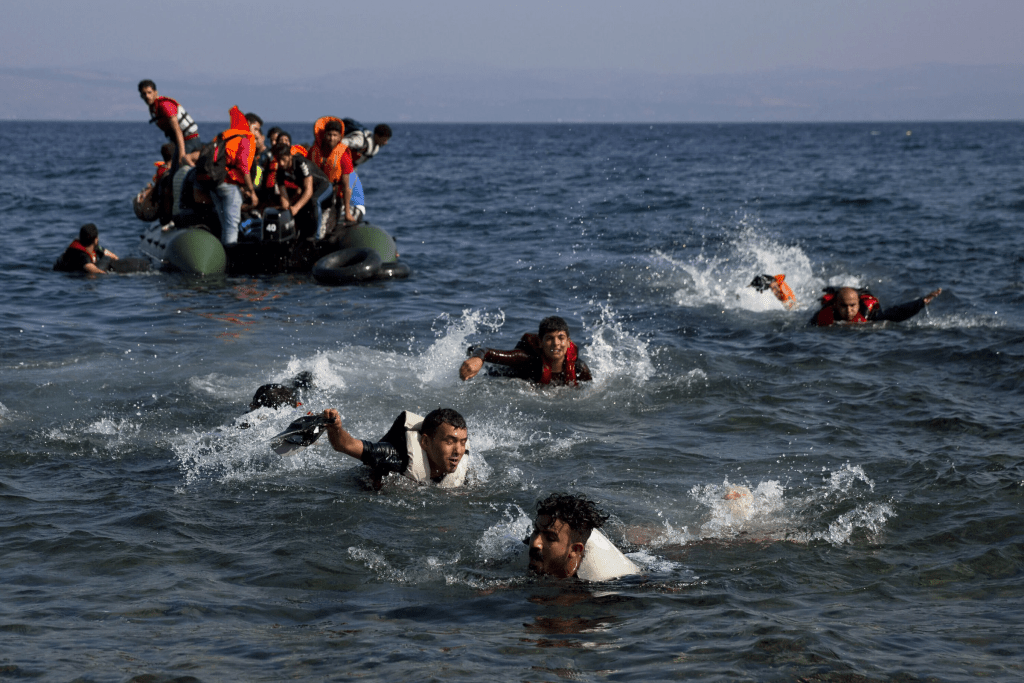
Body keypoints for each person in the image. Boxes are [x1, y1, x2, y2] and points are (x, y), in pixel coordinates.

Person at [323, 407, 469, 489]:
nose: (458, 451)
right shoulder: (396, 456)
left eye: (462, 442)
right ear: (425, 442)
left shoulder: (462, 465)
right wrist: (335, 428)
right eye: (450, 442)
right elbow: (344, 445)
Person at [526, 493, 639, 581]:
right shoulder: (528, 545)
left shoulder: (606, 580)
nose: (535, 543)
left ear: (575, 550)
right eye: (536, 531)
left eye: (550, 538)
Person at [460, 316, 593, 386]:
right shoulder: (526, 359)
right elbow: (487, 351)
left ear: (569, 342)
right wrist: (477, 358)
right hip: (504, 375)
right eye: (549, 338)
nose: (556, 343)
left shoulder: (579, 368)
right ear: (540, 343)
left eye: (561, 338)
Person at [200, 106, 258, 245]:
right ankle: (230, 258)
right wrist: (251, 191)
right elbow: (244, 167)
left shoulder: (224, 136)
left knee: (224, 224)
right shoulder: (244, 139)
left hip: (214, 183)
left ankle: (222, 255)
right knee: (232, 225)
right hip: (228, 185)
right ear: (247, 125)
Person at [271, 141, 334, 238]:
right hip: (307, 190)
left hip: (324, 187)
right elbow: (284, 199)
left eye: (283, 159)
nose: (281, 163)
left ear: (290, 156)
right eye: (279, 160)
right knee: (291, 209)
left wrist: (296, 207)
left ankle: (316, 237)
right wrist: (287, 208)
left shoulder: (301, 163)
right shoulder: (280, 171)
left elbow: (308, 191)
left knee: (314, 200)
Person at [138, 80, 201, 169]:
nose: (147, 96)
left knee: (178, 170)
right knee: (172, 172)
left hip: (190, 140)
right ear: (141, 96)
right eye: (144, 94)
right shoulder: (153, 108)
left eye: (149, 92)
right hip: (181, 142)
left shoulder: (165, 105)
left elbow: (177, 130)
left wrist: (182, 155)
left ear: (155, 92)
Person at [810, 286, 942, 326]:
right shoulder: (826, 314)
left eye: (852, 306)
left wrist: (921, 302)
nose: (849, 311)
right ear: (836, 305)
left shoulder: (868, 313)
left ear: (858, 304)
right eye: (844, 306)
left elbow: (896, 313)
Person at [309, 117, 357, 225]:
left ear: (340, 137)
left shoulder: (343, 156)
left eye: (335, 135)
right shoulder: (314, 151)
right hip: (314, 193)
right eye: (329, 135)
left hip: (334, 197)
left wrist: (347, 213)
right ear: (325, 135)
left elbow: (346, 186)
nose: (331, 138)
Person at [53, 223, 118, 274]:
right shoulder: (80, 254)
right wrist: (106, 274)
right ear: (95, 240)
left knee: (107, 257)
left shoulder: (92, 247)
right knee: (106, 259)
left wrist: (117, 261)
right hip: (69, 273)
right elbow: (90, 267)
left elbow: (110, 255)